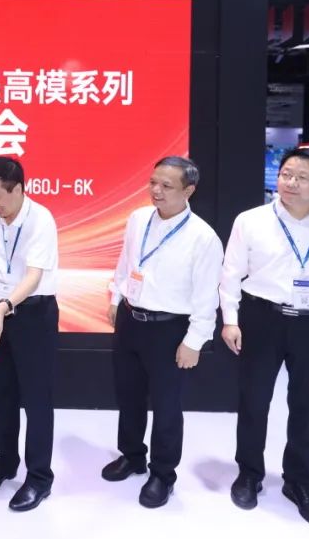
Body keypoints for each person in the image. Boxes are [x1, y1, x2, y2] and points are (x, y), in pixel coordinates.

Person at [219, 148, 309, 531]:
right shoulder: (251, 220)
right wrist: (230, 320)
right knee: (253, 400)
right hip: (261, 319)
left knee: (307, 406)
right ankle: (249, 473)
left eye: (301, 177)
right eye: (286, 174)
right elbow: (230, 274)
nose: (290, 183)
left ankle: (299, 482)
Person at [104, 157, 223, 508]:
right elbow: (126, 262)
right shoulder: (138, 218)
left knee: (167, 406)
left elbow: (206, 297)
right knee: (128, 395)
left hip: (170, 330)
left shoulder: (203, 237)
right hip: (130, 319)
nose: (156, 190)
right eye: (153, 182)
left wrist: (193, 341)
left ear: (189, 191)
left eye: (166, 186)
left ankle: (162, 474)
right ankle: (132, 455)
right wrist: (116, 296)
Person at [0, 156, 59, 512]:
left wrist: (4, 306)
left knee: (36, 401)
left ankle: (39, 478)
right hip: (0, 311)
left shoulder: (41, 220)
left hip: (33, 313)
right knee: (3, 394)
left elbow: (33, 276)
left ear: (18, 189)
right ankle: (6, 461)